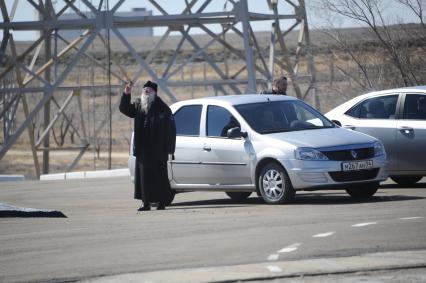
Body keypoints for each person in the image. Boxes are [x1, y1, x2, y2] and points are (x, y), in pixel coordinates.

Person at [119, 80, 176, 211]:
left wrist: (169, 148)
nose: (146, 91)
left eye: (149, 90)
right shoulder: (139, 105)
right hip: (143, 148)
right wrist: (126, 94)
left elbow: (171, 129)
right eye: (145, 89)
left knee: (160, 177)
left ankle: (161, 202)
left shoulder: (163, 108)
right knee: (144, 178)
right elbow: (125, 109)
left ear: (154, 93)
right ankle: (146, 203)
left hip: (158, 148)